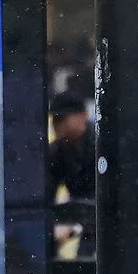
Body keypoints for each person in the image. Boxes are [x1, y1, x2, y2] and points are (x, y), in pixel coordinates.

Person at [46, 93, 97, 258]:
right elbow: (46, 191)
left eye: (62, 119)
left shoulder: (102, 145)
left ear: (83, 116)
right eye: (54, 119)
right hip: (81, 215)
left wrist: (72, 225)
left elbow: (107, 195)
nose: (56, 125)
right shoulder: (57, 151)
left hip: (107, 218)